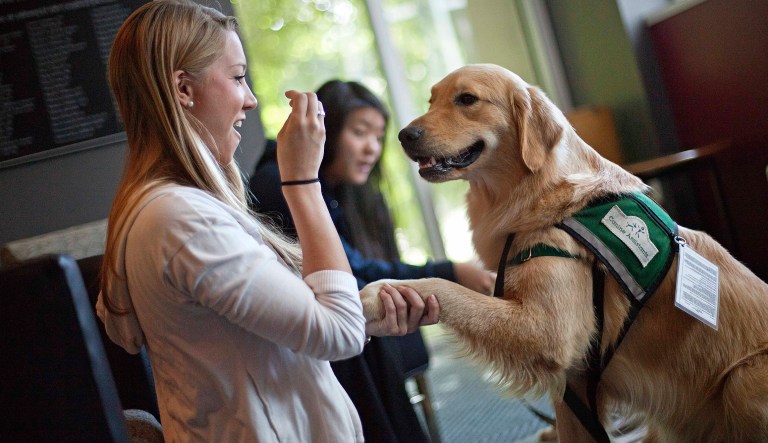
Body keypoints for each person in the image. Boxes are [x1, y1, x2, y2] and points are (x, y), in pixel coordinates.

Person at [96, 1, 439, 441]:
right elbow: (337, 334)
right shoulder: (182, 219)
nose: (252, 99)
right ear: (183, 89)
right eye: (238, 77)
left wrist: (364, 313)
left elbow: (250, 334)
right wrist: (302, 181)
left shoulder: (173, 209)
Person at [250, 80, 495, 442]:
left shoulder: (341, 193)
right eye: (360, 133)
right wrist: (450, 272)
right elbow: (351, 271)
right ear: (328, 132)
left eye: (378, 137)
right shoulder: (281, 183)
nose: (371, 149)